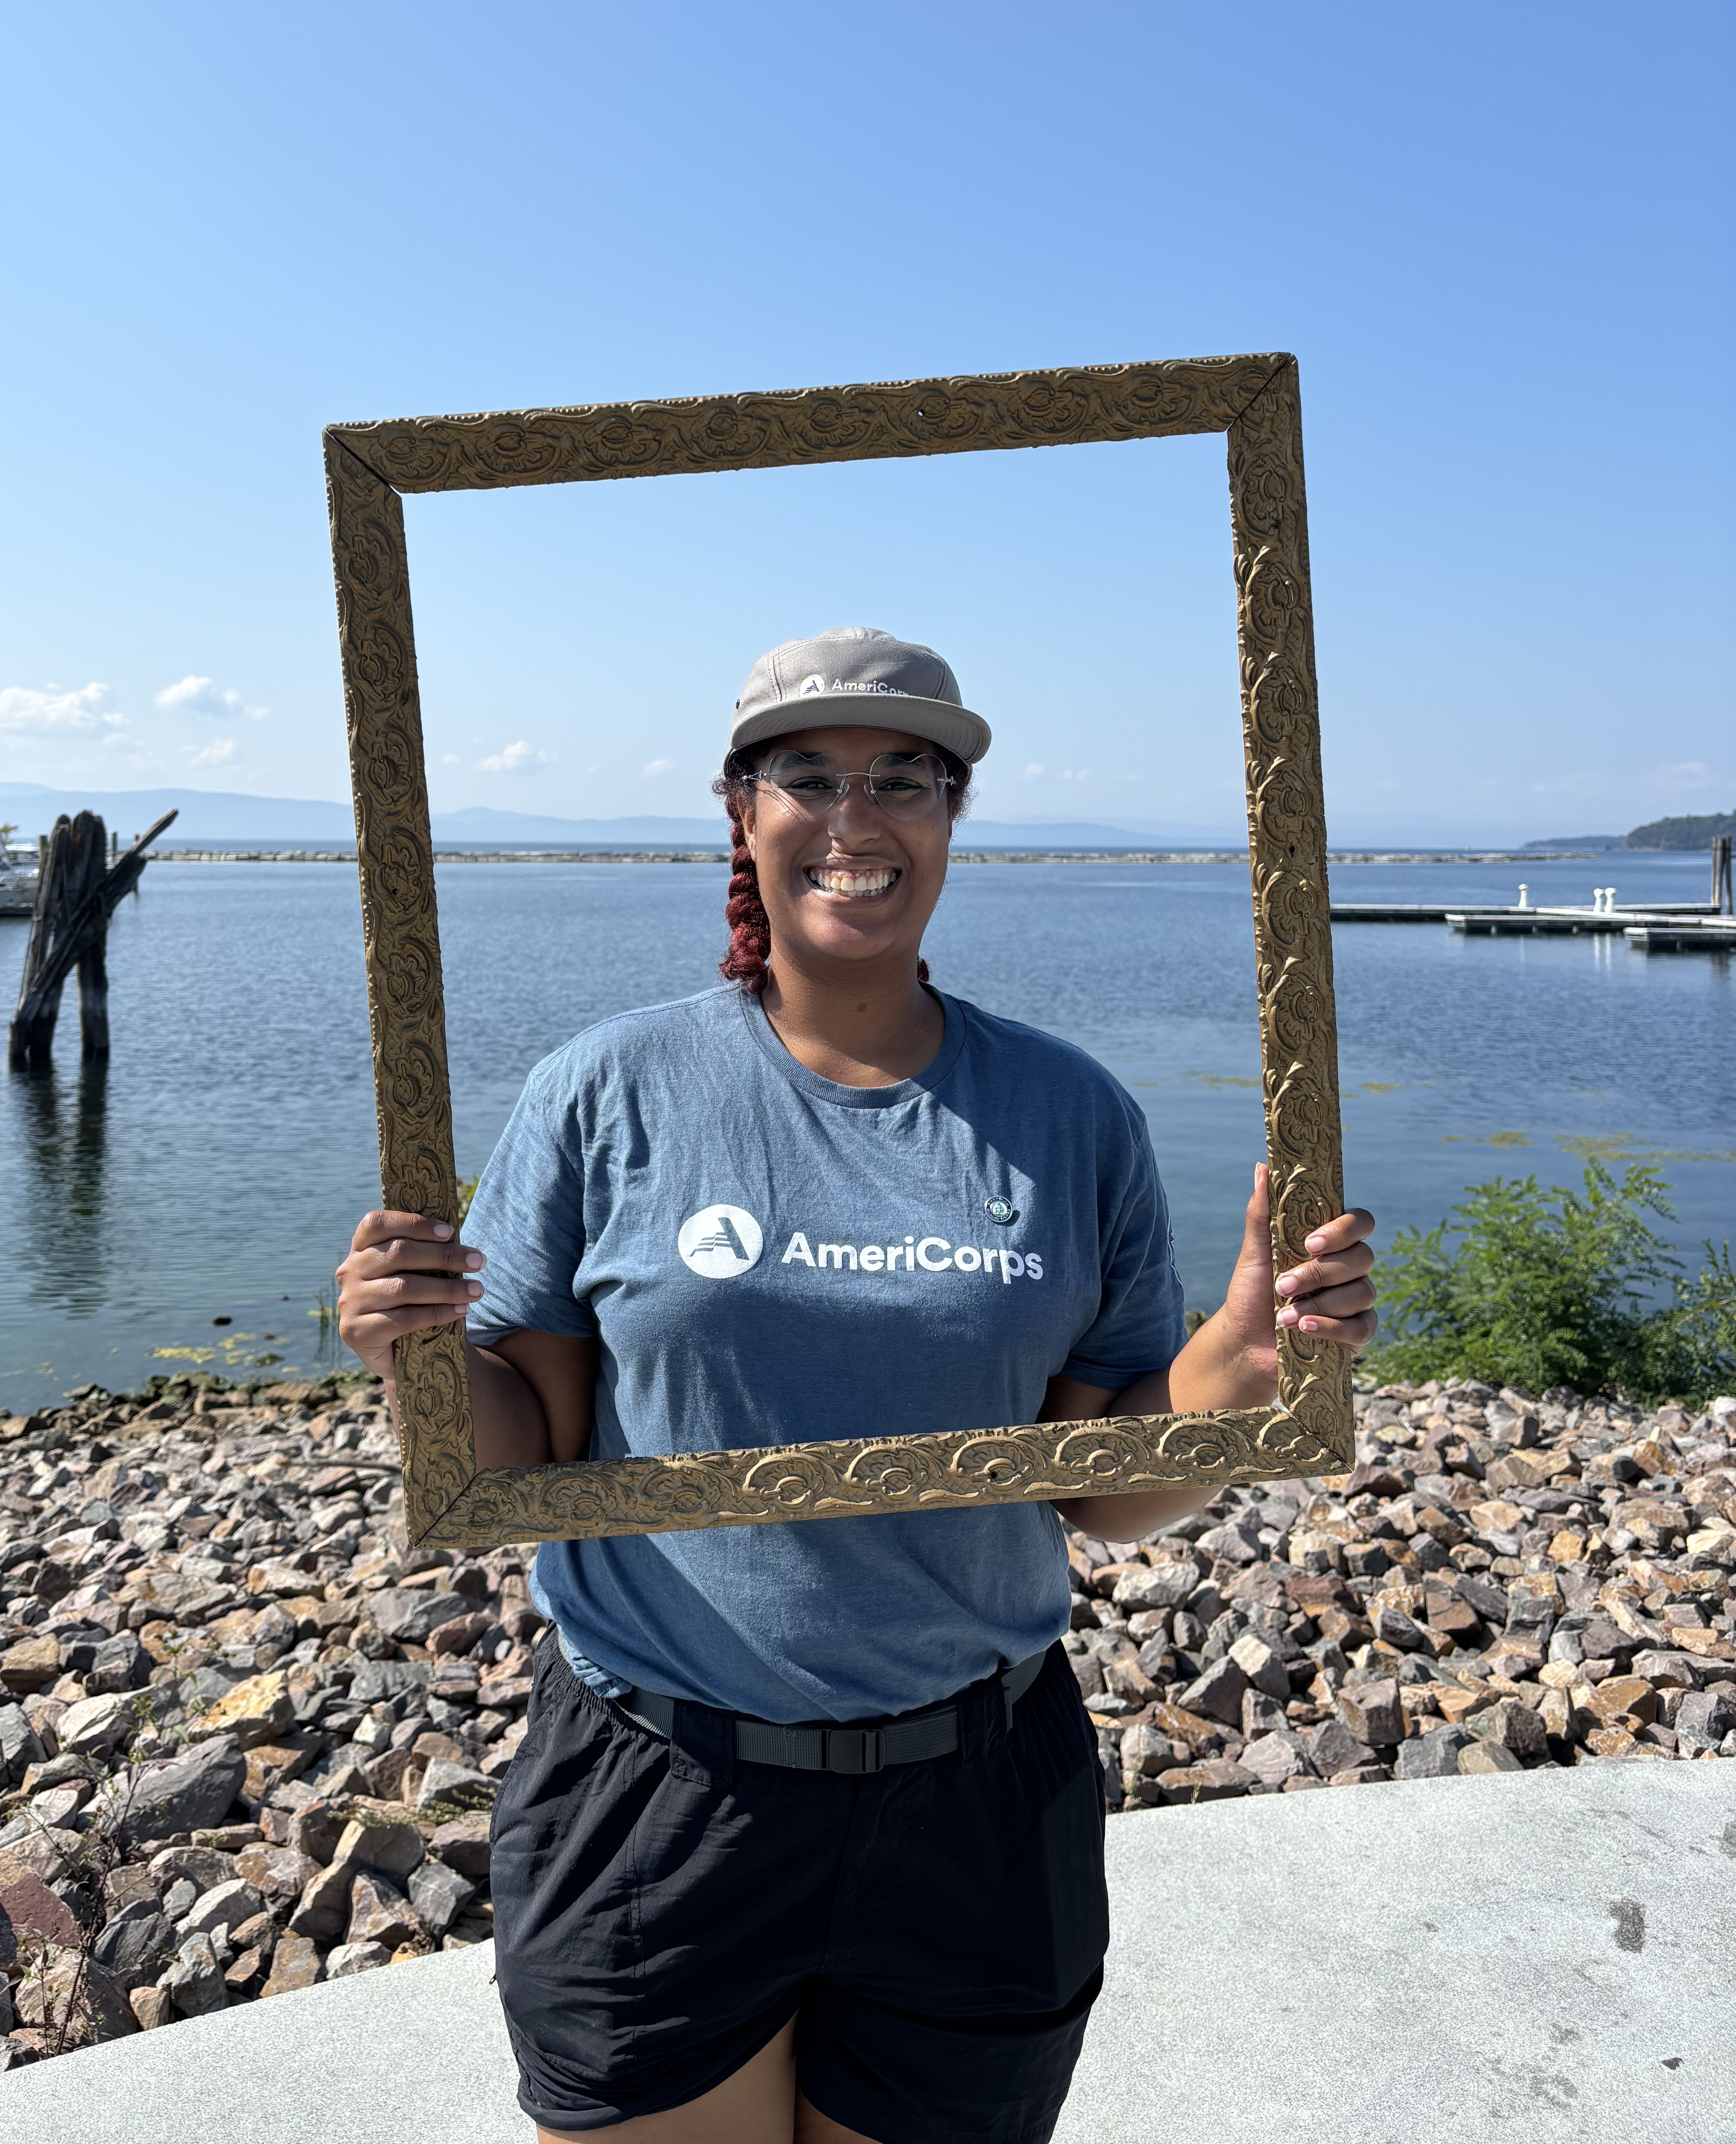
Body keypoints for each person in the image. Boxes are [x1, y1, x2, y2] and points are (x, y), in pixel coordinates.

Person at [336, 626, 1376, 2144]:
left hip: (979, 1791)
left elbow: (1100, 1489)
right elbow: (528, 1453)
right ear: (741, 810)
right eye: (807, 775)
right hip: (659, 1781)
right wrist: (416, 1354)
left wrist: (1253, 1367)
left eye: (905, 778)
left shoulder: (1069, 1113)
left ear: (950, 817)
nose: (856, 818)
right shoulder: (607, 1090)